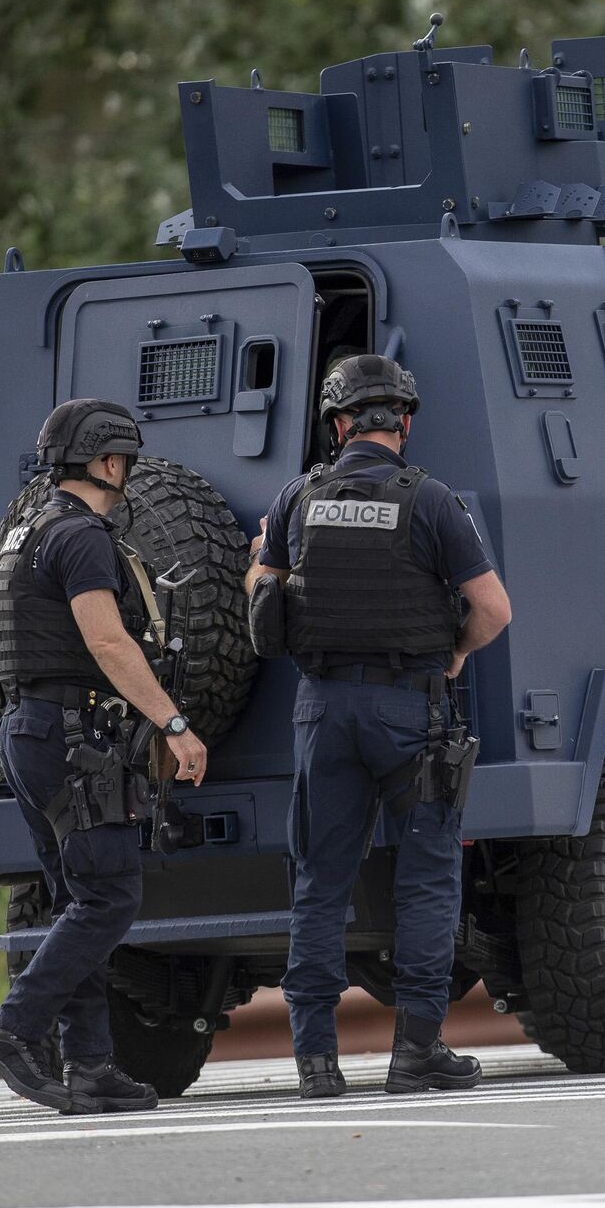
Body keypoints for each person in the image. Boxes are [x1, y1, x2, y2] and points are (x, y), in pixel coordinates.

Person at [245, 354, 512, 1100]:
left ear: (337, 425)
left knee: (320, 883)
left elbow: (262, 604)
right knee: (427, 882)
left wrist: (265, 555)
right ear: (404, 422)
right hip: (408, 709)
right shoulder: (431, 502)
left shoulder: (296, 498)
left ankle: (316, 1063)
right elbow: (493, 610)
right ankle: (416, 1053)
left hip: (323, 709)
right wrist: (454, 654)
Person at [0, 399, 207, 1115]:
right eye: (124, 461)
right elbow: (106, 642)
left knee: (78, 899)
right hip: (70, 735)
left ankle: (92, 1065)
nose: (127, 474)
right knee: (109, 896)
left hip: (28, 730)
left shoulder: (23, 533)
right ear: (106, 463)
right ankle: (13, 1030)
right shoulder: (80, 537)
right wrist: (173, 723)